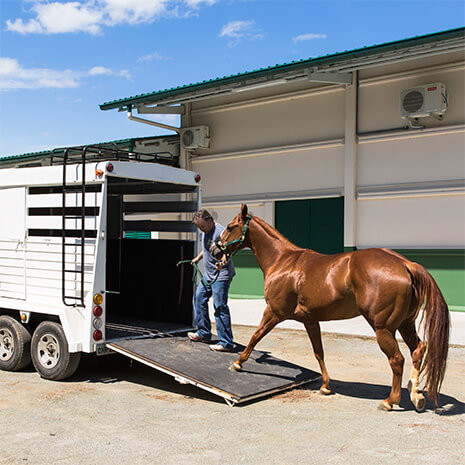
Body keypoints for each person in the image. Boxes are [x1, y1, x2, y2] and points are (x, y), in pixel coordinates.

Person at [188, 209, 236, 352]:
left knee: (220, 307)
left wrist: (222, 262)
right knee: (199, 298)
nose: (201, 229)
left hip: (221, 276)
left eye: (202, 226)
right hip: (209, 275)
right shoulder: (207, 230)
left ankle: (226, 343)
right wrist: (198, 258)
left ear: (209, 220)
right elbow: (208, 248)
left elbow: (228, 252)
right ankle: (204, 333)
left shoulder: (221, 233)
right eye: (199, 228)